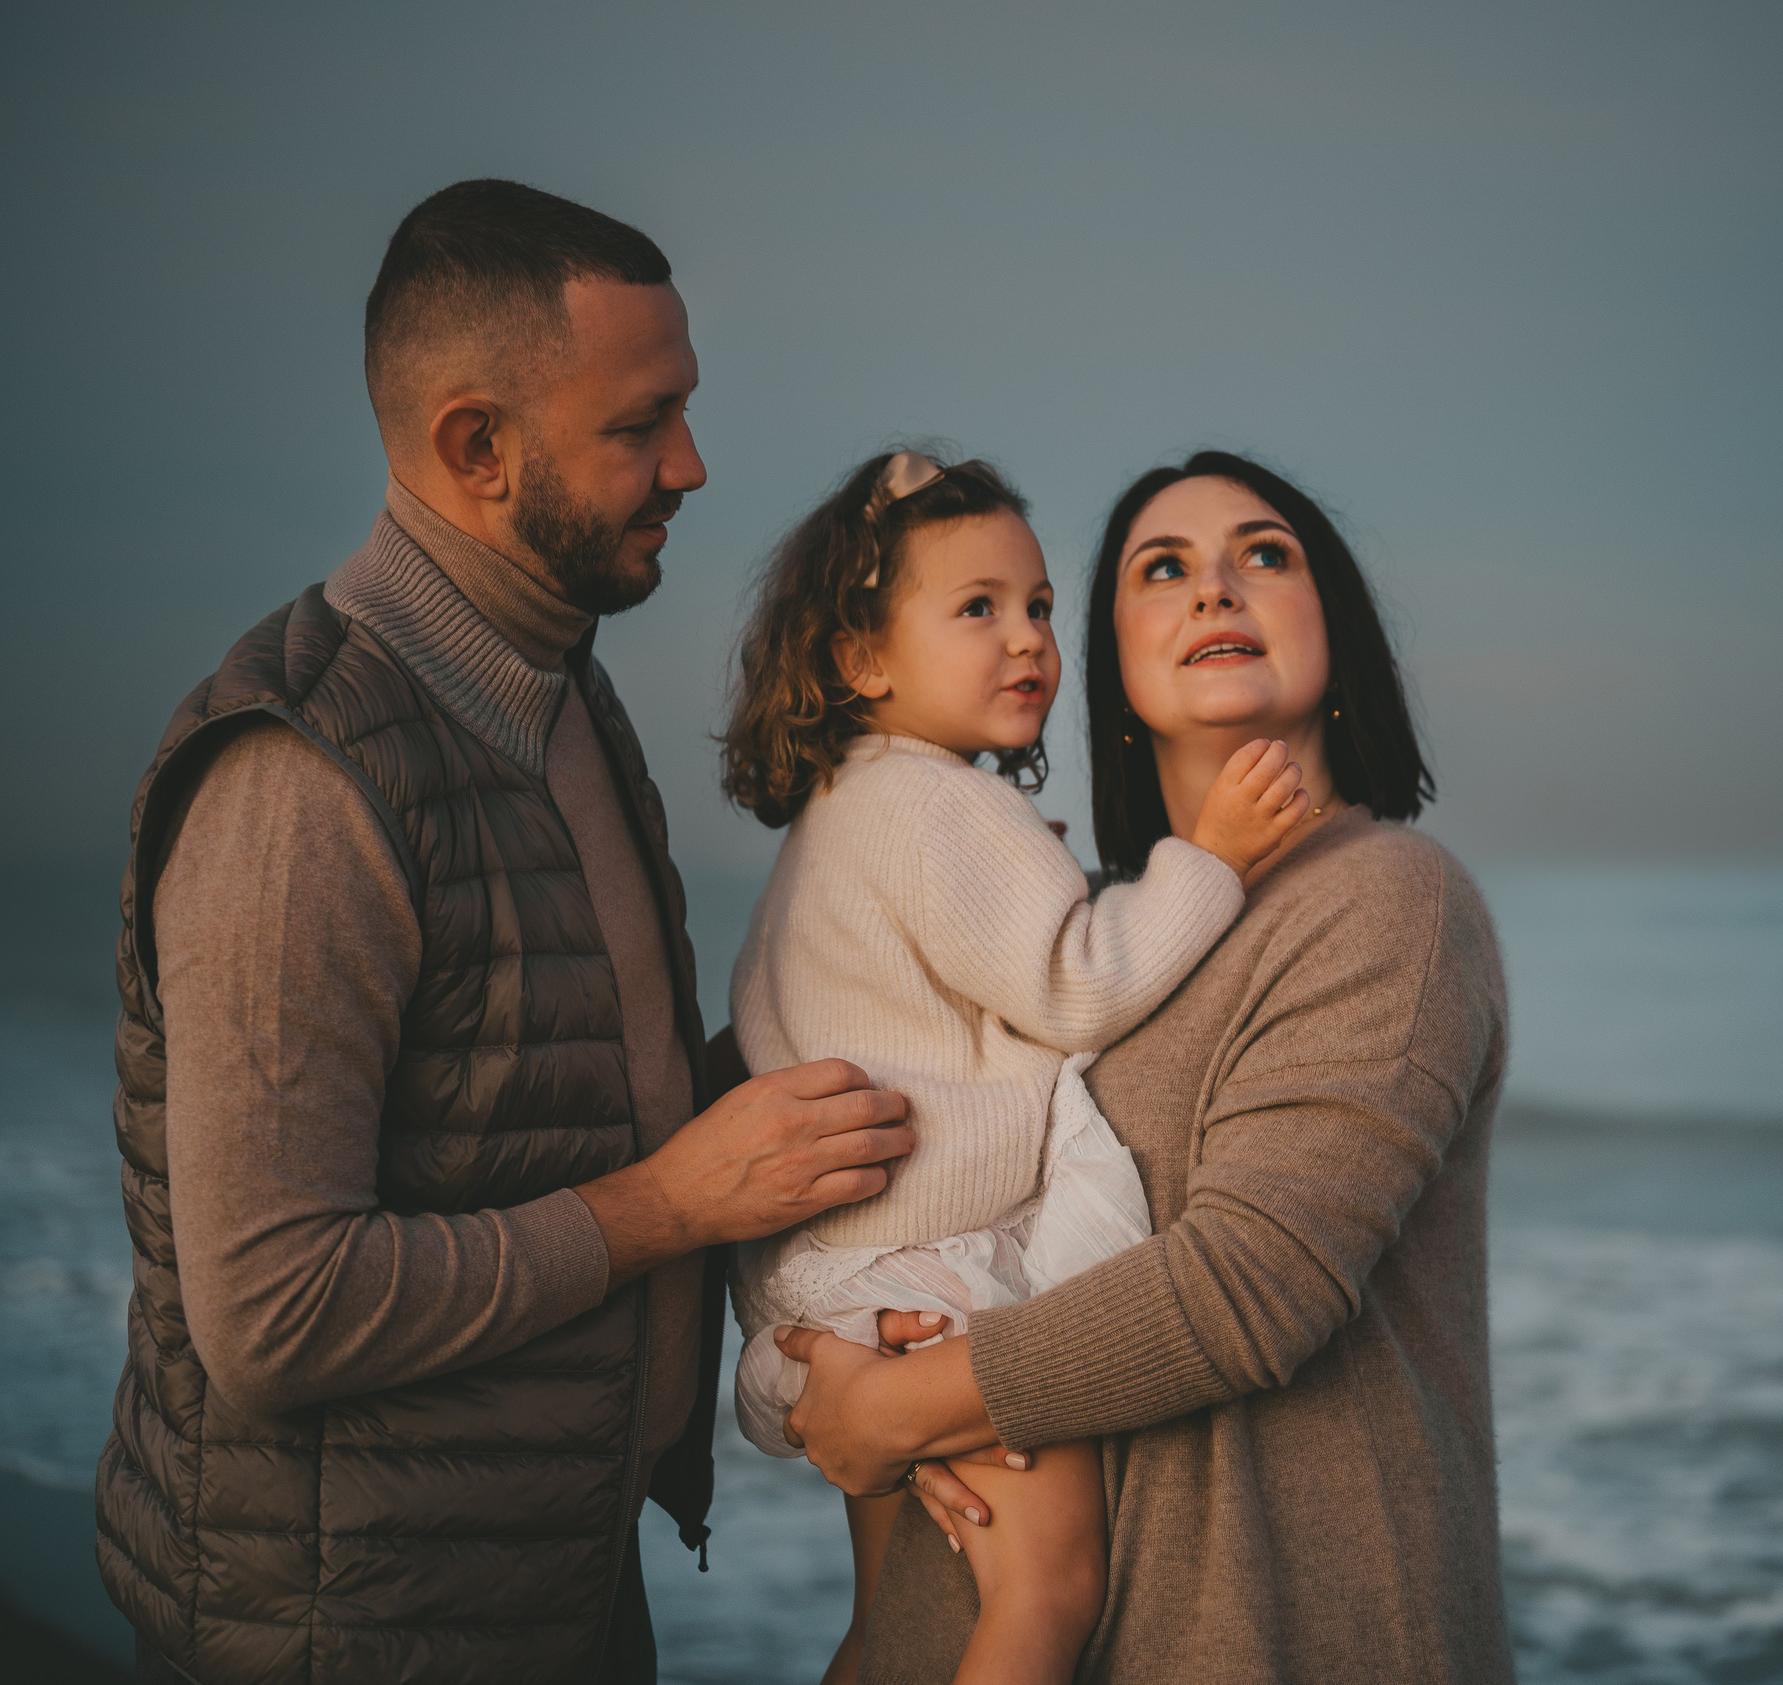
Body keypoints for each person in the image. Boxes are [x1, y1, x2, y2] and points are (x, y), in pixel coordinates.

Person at [95, 179, 916, 1685]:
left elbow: (543, 1097)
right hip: (351, 1639)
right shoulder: (300, 783)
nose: (692, 463)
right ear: (479, 447)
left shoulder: (563, 693)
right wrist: (672, 1204)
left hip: (552, 1594)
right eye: (638, 425)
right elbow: (274, 1309)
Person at [775, 452, 1513, 1682]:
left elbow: (1252, 1285)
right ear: (1113, 664)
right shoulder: (1086, 934)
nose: (1216, 587)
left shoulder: (1385, 901)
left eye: (1264, 555)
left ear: (1338, 627)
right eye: (1160, 569)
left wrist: (888, 1407)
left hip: (1253, 1636)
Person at [718, 448, 1314, 1684]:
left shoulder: (842, 812)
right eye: (977, 608)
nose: (1028, 638)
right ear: (859, 659)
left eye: (1038, 605)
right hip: (937, 1275)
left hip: (829, 1289)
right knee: (1048, 1592)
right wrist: (1212, 860)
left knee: (891, 1626)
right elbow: (1081, 981)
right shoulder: (945, 805)